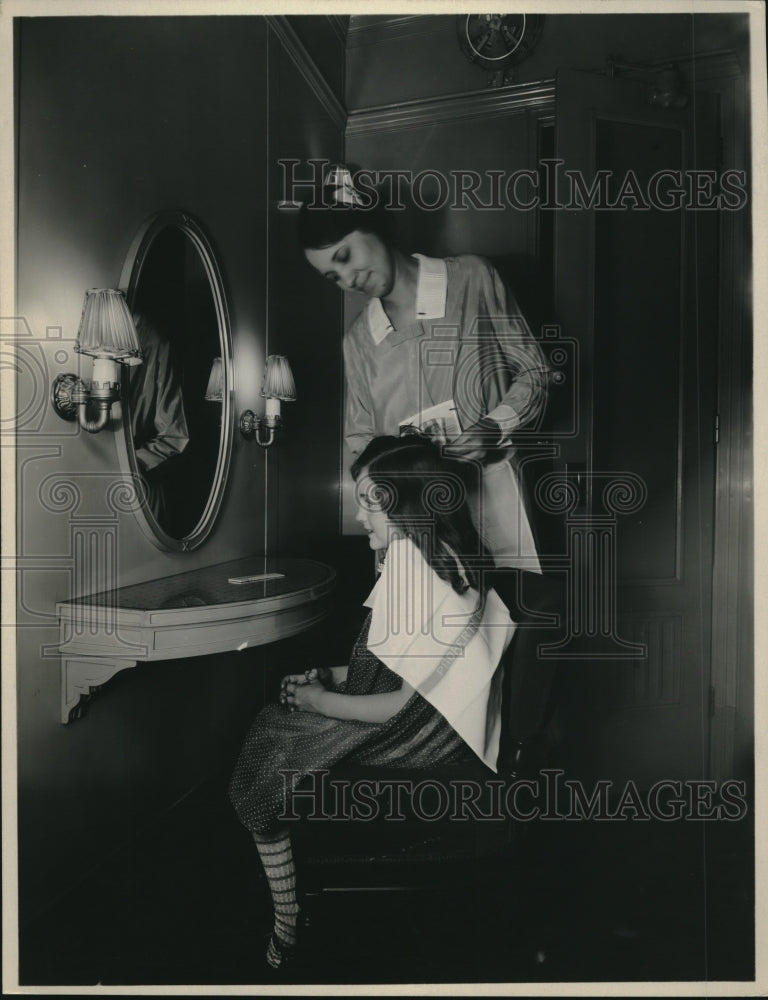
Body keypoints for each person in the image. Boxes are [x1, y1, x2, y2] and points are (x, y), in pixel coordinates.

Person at [228, 434, 515, 970]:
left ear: (406, 503)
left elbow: (400, 709)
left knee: (267, 748)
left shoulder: (416, 574)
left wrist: (318, 702)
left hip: (417, 740)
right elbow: (414, 664)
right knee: (278, 724)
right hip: (431, 722)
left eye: (371, 501)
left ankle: (287, 922)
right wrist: (334, 678)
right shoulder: (442, 555)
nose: (360, 516)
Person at [298, 166, 551, 573]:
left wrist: (494, 426)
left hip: (494, 496)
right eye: (333, 276)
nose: (347, 279)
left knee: (503, 623)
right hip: (413, 520)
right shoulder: (358, 341)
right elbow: (360, 438)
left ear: (373, 224)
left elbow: (535, 373)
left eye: (345, 256)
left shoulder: (472, 278)